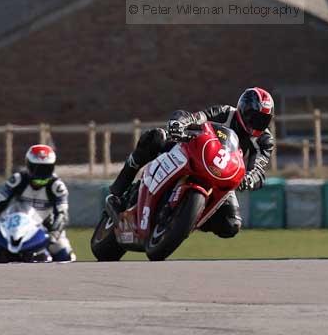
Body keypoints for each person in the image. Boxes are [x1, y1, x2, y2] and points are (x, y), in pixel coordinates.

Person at [109, 87, 274, 239]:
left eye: (262, 120)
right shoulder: (224, 113)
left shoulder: (264, 140)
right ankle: (119, 192)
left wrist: (249, 179)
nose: (256, 123)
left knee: (231, 224)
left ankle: (185, 219)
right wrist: (178, 124)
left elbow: (259, 169)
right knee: (155, 137)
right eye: (253, 116)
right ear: (243, 109)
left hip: (221, 177)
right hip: (193, 152)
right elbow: (196, 117)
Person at [0, 144, 76, 262]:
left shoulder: (57, 187)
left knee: (64, 253)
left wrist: (54, 233)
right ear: (28, 165)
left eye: (46, 169)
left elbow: (62, 214)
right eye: (36, 168)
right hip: (17, 226)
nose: (40, 174)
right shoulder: (17, 180)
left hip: (46, 229)